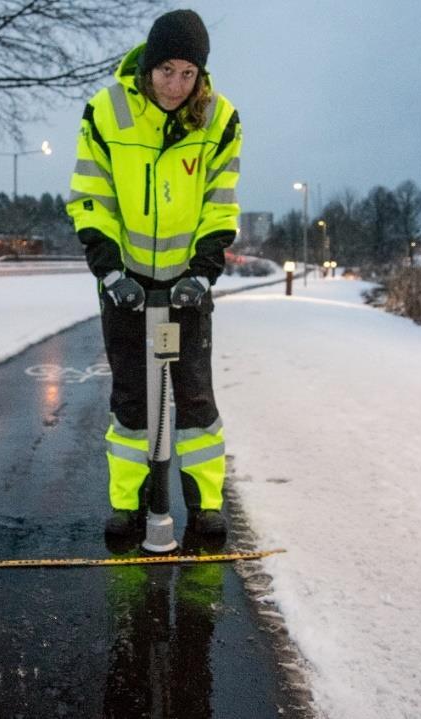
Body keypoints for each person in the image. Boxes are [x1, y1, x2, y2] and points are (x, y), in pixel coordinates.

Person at [66, 9, 242, 537]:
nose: (175, 85)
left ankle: (206, 506)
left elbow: (221, 202)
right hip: (127, 282)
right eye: (166, 70)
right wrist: (110, 270)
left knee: (193, 398)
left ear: (201, 75)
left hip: (187, 283)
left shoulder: (220, 119)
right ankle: (127, 505)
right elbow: (92, 197)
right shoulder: (106, 111)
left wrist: (204, 272)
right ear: (148, 64)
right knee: (132, 400)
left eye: (188, 74)